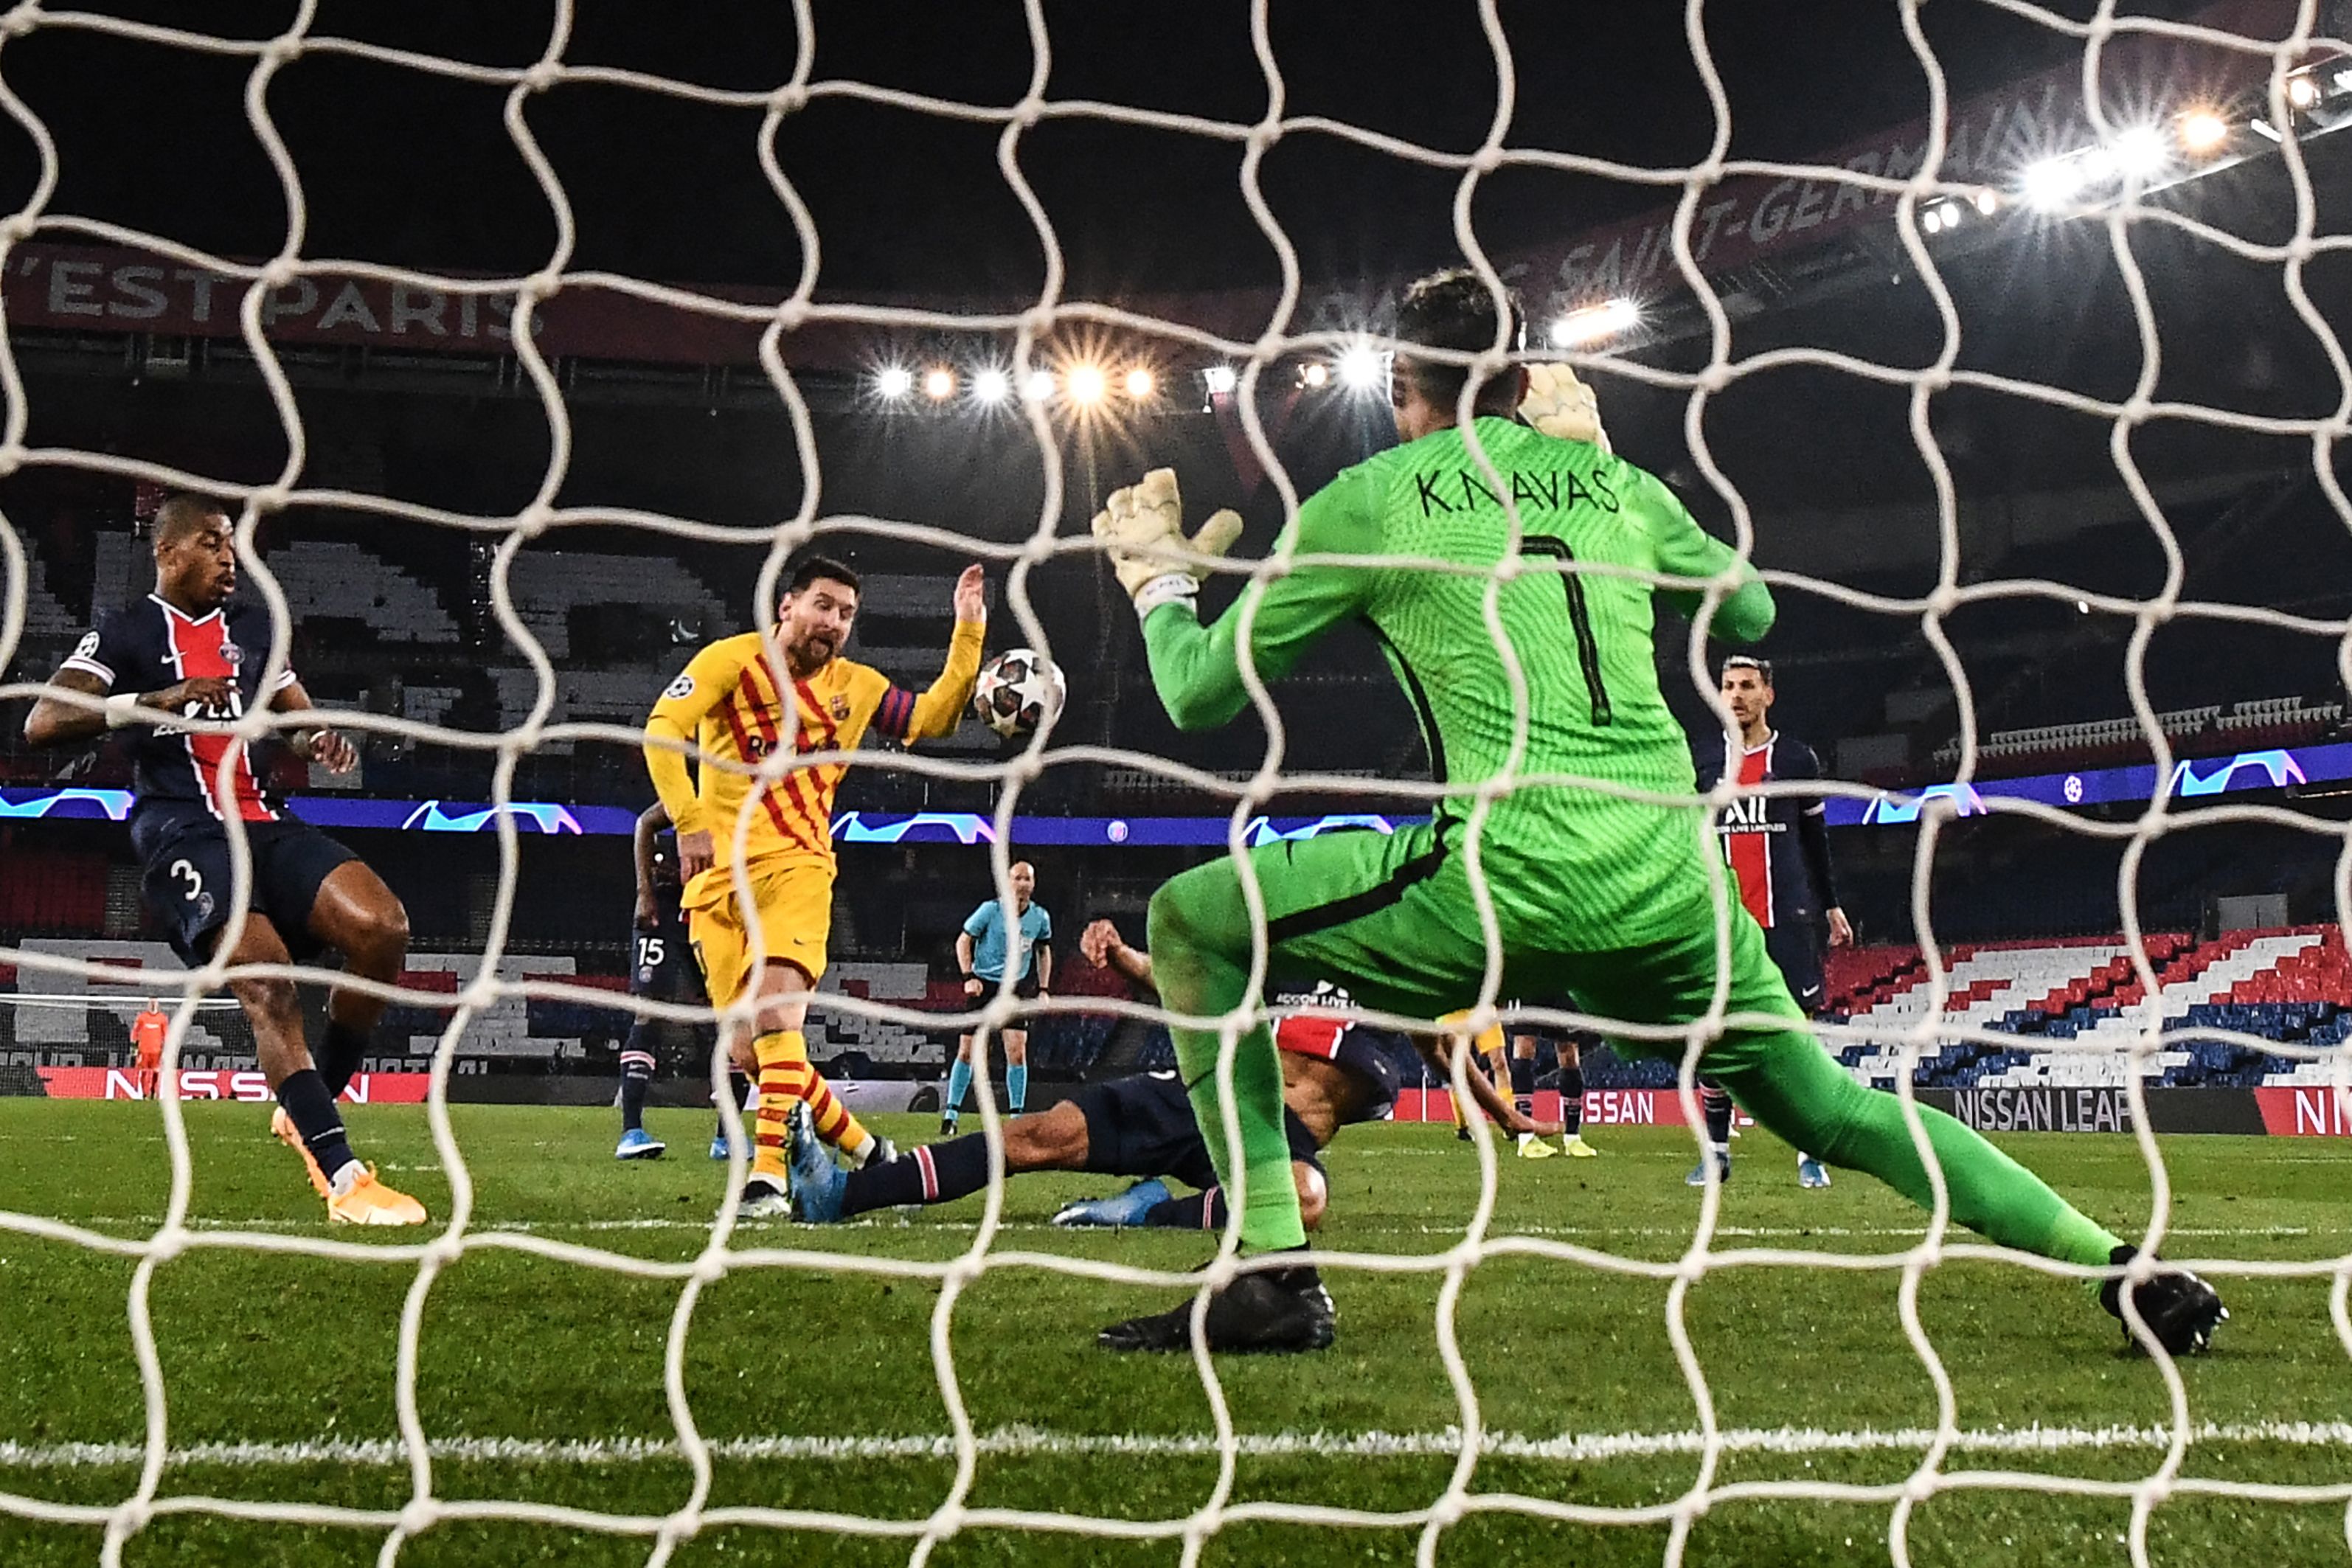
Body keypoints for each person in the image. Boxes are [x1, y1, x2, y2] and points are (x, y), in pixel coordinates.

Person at [1081, 268, 2223, 1356]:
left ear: (1399, 394)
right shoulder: (1620, 488)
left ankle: (1271, 1271)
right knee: (1833, 1107)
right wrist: (1606, 461)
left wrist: (1159, 582)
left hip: (1505, 870)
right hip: (1672, 883)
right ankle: (2122, 1263)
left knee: (1191, 920)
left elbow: (1193, 693)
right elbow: (1758, 609)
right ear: (1526, 381)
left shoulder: (1371, 498)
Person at [21, 494, 424, 1224]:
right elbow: (44, 721)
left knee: (384, 928)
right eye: (211, 543)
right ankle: (343, 1178)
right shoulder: (125, 631)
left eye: (232, 544)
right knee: (269, 986)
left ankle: (310, 1104)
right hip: (183, 831)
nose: (229, 557)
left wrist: (316, 740)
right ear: (169, 553)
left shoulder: (256, 629)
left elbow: (293, 715)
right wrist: (161, 698)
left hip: (264, 821)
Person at [790, 918, 1554, 1227]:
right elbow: (1200, 989)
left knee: (1305, 1199)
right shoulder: (1286, 964)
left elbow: (1454, 1059)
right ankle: (842, 1192)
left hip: (1274, 1133)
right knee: (1037, 1134)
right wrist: (1123, 958)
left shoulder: (1402, 996)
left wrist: (1512, 1118)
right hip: (1204, 1091)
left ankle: (1145, 1211)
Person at [642, 555, 985, 1217]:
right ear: (786, 607)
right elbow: (663, 729)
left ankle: (767, 1177)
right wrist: (687, 821)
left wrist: (967, 632)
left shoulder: (855, 687)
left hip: (798, 867)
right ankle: (868, 1152)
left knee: (776, 1015)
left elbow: (934, 718)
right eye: (824, 606)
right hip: (715, 886)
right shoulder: (730, 661)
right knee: (750, 1054)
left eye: (847, 615)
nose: (835, 623)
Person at [1688, 655, 1855, 1190]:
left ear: (1767, 695)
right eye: (1727, 686)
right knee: (1715, 1036)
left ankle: (1810, 1155)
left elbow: (1814, 842)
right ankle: (1716, 1152)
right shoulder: (1705, 763)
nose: (1735, 695)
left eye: (1746, 686)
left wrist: (1830, 904)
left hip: (1787, 920)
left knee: (1797, 1042)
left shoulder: (1795, 760)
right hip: (1724, 924)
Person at [612, 802, 730, 1161]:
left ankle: (727, 1138)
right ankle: (631, 1131)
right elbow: (645, 823)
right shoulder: (699, 791)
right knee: (648, 1011)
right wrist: (644, 893)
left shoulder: (747, 797)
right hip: (664, 907)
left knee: (728, 1015)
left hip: (713, 907)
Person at [941, 860, 1052, 1134]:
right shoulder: (990, 911)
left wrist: (1044, 989)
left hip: (1013, 990)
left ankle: (1016, 1121)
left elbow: (1043, 951)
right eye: (1018, 878)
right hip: (983, 987)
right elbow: (963, 940)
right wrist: (968, 977)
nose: (1023, 883)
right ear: (1007, 881)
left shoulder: (1040, 918)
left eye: (1027, 879)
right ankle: (950, 1116)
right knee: (967, 1051)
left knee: (1017, 1053)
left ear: (1034, 884)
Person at [131, 999, 169, 1098]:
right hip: (143, 1050)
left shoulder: (162, 1018)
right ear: (148, 1005)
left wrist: (166, 1049)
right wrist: (134, 1047)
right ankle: (143, 1093)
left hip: (156, 1051)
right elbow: (135, 1032)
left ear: (158, 1005)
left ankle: (153, 1091)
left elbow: (166, 1035)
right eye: (151, 1003)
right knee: (143, 1071)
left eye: (155, 1003)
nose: (152, 1005)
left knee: (156, 1071)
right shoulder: (142, 1017)